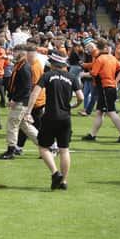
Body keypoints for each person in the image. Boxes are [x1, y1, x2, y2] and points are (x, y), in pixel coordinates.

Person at [28, 51, 84, 190]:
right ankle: (63, 181)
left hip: (49, 117)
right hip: (65, 117)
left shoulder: (47, 75)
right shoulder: (71, 77)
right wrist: (74, 105)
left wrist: (28, 111)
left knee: (43, 147)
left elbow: (35, 93)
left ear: (52, 64)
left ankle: (55, 173)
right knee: (64, 150)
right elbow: (81, 97)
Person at [81, 39, 120, 143]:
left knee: (111, 112)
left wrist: (83, 74)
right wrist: (116, 81)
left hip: (105, 88)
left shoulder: (100, 59)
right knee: (99, 112)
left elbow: (94, 73)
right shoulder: (112, 58)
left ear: (98, 48)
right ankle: (92, 135)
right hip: (109, 87)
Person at [0, 45, 38, 159]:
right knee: (25, 126)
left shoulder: (24, 67)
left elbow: (26, 87)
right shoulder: (21, 65)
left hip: (21, 102)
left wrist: (15, 99)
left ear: (22, 53)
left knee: (12, 125)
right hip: (21, 101)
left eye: (16, 52)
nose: (13, 54)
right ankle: (47, 145)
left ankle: (11, 150)